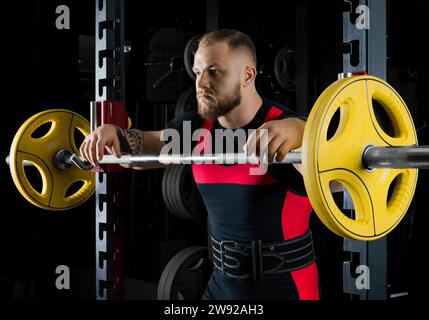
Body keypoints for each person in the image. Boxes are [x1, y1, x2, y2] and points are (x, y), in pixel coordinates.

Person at [80, 29, 320, 300]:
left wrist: (305, 132)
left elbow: (334, 183)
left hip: (284, 288)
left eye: (214, 71)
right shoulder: (195, 128)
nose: (201, 83)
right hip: (221, 286)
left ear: (248, 75)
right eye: (197, 72)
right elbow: (147, 146)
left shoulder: (285, 130)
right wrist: (114, 133)